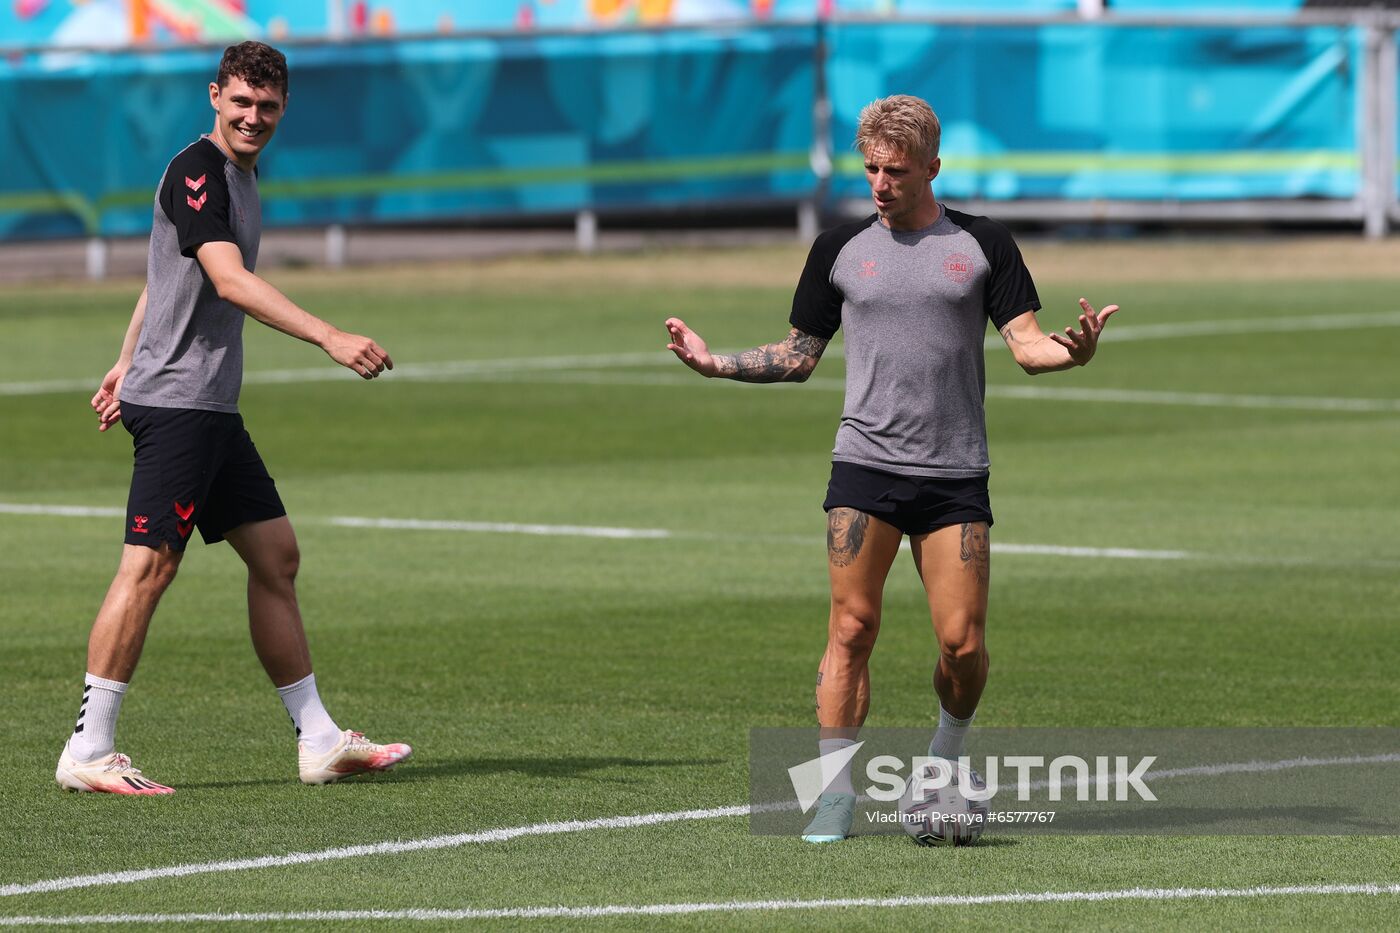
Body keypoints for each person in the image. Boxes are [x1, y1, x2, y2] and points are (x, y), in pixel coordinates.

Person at [665, 95, 1119, 842]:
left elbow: (1029, 346)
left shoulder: (982, 244)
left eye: (897, 171)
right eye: (872, 167)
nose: (880, 183)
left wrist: (1074, 350)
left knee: (962, 643)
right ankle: (835, 795)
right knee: (851, 627)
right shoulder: (839, 248)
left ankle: (943, 754)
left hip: (953, 475)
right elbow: (798, 354)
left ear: (933, 168)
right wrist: (716, 364)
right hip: (864, 465)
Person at [57, 41, 411, 795]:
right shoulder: (198, 170)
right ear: (214, 96)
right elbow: (224, 276)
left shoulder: (241, 177)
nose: (253, 117)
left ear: (282, 109)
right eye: (241, 102)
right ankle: (88, 747)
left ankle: (318, 740)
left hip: (206, 404)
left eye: (268, 107)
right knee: (148, 567)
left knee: (276, 556)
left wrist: (125, 360)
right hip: (181, 407)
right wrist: (328, 333)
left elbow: (164, 277)